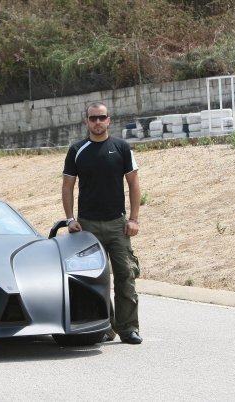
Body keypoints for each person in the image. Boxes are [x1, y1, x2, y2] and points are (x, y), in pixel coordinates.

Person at [61, 101, 143, 344]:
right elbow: (67, 186)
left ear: (109, 120)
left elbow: (134, 183)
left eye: (101, 117)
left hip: (118, 224)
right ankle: (104, 327)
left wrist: (134, 219)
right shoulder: (77, 150)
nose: (97, 122)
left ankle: (129, 329)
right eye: (93, 118)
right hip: (87, 226)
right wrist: (70, 219)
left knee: (125, 275)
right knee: (95, 278)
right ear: (86, 121)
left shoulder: (122, 148)